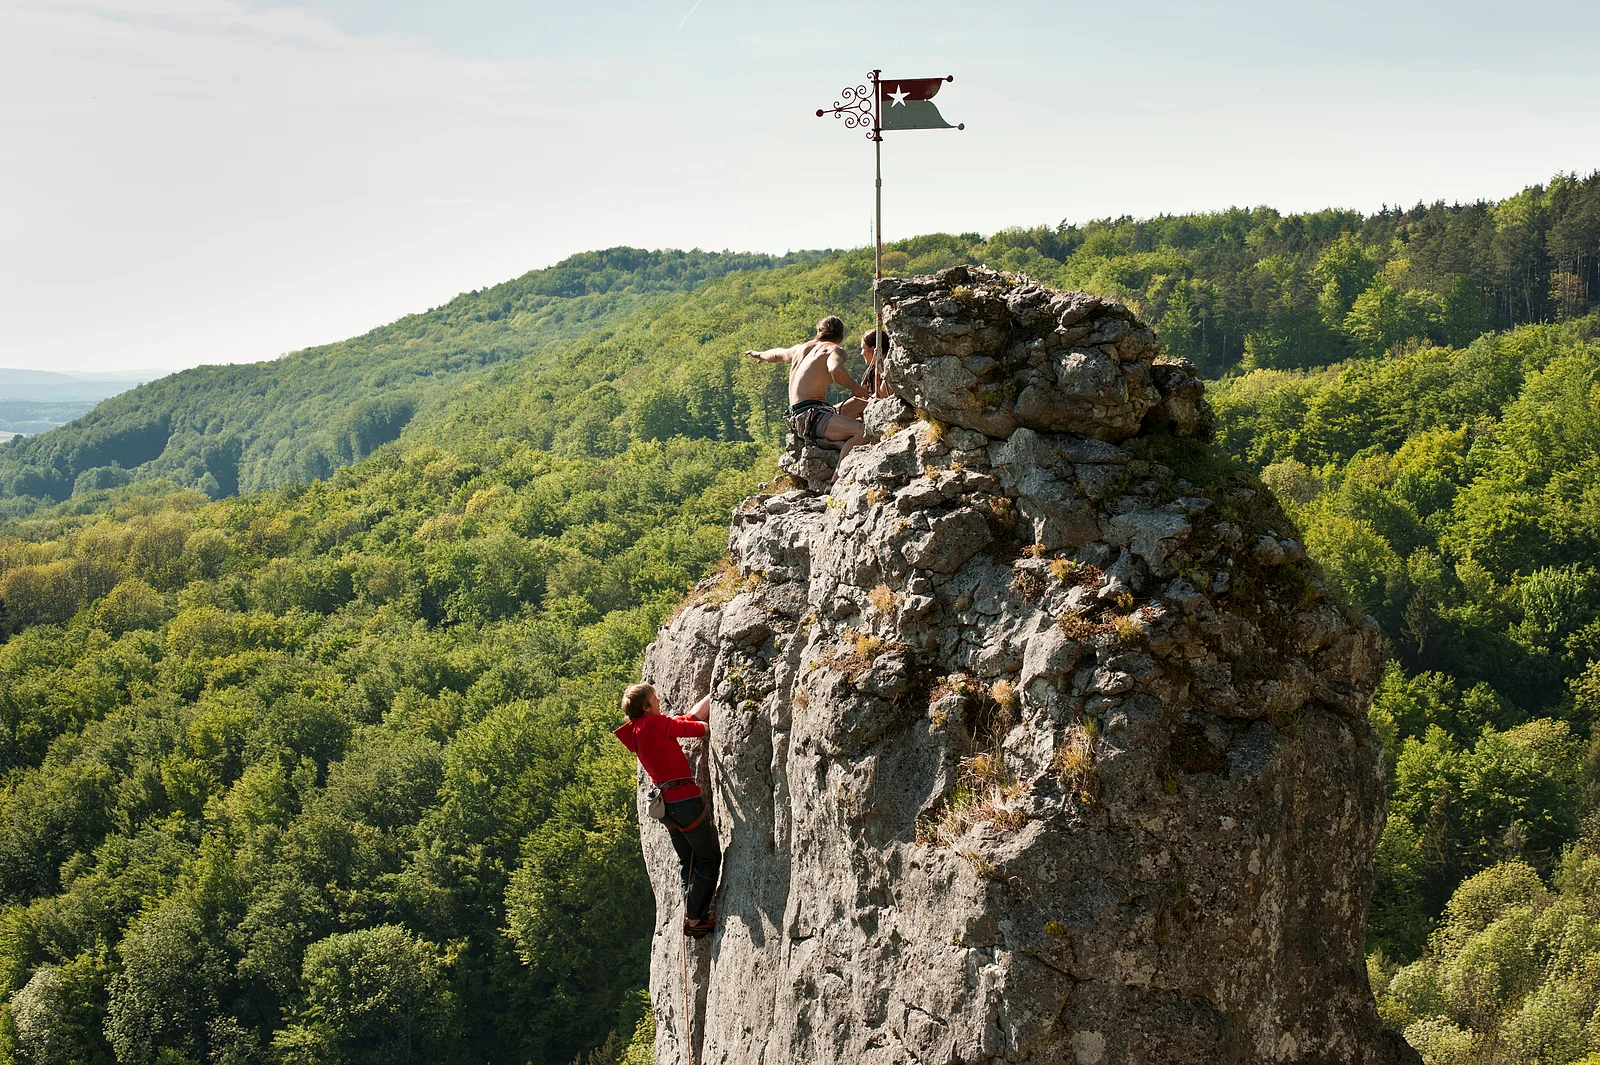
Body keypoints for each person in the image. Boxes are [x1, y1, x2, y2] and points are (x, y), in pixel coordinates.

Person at [613, 683, 721, 937]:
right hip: (685, 801)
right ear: (646, 706)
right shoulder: (655, 723)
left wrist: (714, 693)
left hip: (666, 806)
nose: (659, 699)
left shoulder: (638, 729)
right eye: (654, 698)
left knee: (689, 860)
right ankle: (694, 919)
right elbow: (696, 728)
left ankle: (693, 911)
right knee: (708, 858)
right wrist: (716, 723)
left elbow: (684, 720)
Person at [745, 315, 868, 464]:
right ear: (841, 338)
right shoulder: (834, 350)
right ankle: (838, 478)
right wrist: (857, 389)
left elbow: (777, 354)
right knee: (861, 431)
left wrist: (760, 355)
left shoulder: (800, 349)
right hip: (812, 418)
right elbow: (835, 369)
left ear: (818, 330)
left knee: (864, 405)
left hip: (799, 417)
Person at [839, 327, 888, 422]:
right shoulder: (870, 372)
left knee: (858, 404)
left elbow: (882, 394)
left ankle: (828, 417)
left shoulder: (890, 369)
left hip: (883, 408)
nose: (861, 353)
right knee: (856, 402)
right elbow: (862, 394)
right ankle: (830, 413)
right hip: (873, 408)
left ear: (873, 349)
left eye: (863, 348)